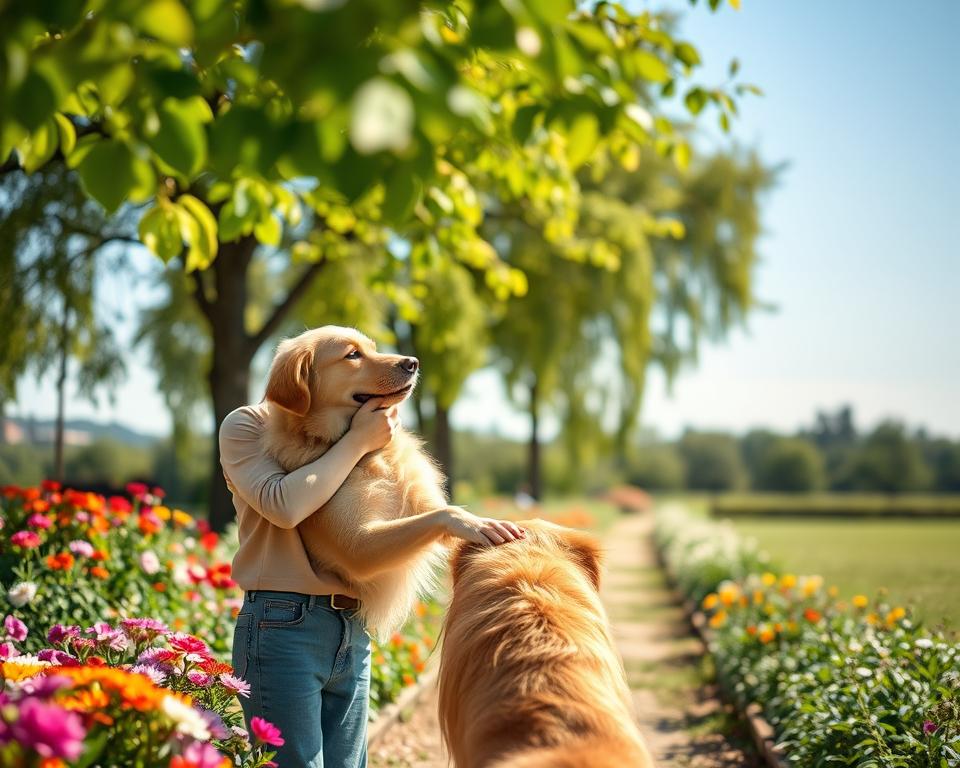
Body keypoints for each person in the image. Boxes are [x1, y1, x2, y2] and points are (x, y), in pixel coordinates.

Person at [218, 396, 524, 768]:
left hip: (352, 628)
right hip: (282, 625)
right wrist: (358, 442)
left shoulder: (362, 434)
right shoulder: (247, 425)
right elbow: (284, 505)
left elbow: (406, 524)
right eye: (352, 356)